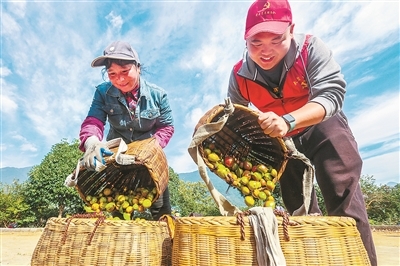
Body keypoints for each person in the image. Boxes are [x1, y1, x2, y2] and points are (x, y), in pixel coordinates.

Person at [227, 0, 377, 265]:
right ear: (245, 39)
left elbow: (331, 94)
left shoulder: (310, 49)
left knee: (344, 198)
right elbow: (236, 117)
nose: (266, 51)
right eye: (256, 43)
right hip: (281, 140)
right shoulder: (239, 75)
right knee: (297, 211)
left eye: (276, 40)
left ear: (291, 29)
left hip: (321, 125)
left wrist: (289, 120)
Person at [79, 40, 174, 221]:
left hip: (150, 163)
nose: (120, 79)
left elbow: (166, 127)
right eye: (112, 74)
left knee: (161, 212)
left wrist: (150, 149)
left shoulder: (158, 95)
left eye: (125, 71)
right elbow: (93, 120)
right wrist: (91, 142)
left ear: (138, 67)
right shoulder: (102, 92)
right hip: (117, 162)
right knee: (119, 211)